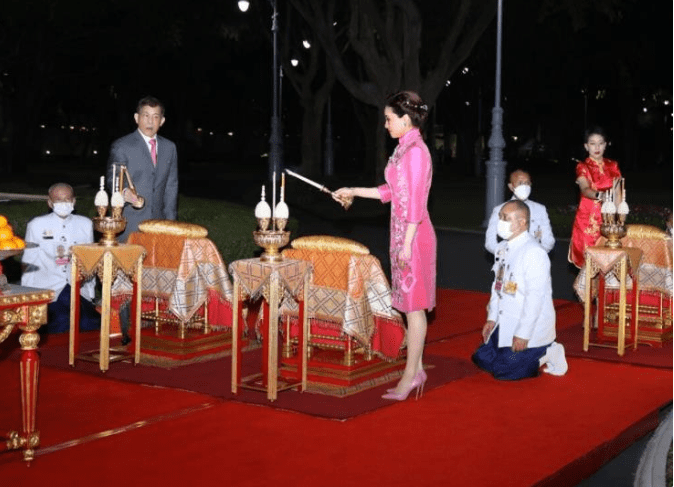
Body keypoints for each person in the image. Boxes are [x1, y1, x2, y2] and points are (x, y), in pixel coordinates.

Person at [334, 90, 436, 401]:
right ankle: (416, 369)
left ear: (405, 120)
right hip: (402, 236)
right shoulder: (403, 150)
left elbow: (417, 203)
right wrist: (352, 190)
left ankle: (410, 376)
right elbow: (389, 192)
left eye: (389, 119)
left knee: (414, 308)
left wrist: (406, 244)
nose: (385, 124)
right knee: (407, 306)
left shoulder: (416, 152)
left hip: (414, 238)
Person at [473, 200, 568, 380]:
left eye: (505, 218)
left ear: (522, 222)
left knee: (505, 372)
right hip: (507, 319)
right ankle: (516, 354)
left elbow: (535, 298)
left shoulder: (534, 252)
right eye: (500, 217)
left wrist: (523, 334)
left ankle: (549, 351)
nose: (500, 222)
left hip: (530, 327)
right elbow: (498, 286)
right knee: (481, 358)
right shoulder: (502, 248)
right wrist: (492, 319)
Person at [21, 183, 100, 334]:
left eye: (67, 199)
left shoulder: (85, 224)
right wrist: (28, 298)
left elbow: (89, 262)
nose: (63, 204)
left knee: (89, 322)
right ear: (50, 203)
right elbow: (29, 262)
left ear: (74, 201)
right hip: (49, 289)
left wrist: (90, 295)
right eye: (58, 200)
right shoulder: (36, 225)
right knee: (61, 321)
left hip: (77, 289)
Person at [107, 95, 179, 242]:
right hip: (129, 223)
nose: (150, 121)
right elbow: (113, 180)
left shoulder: (170, 147)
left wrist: (171, 222)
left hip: (159, 225)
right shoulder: (122, 146)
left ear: (162, 121)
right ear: (136, 118)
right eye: (145, 116)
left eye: (155, 117)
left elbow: (171, 186)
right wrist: (125, 193)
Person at [569, 126, 622, 268]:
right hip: (589, 220)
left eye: (601, 143)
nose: (597, 147)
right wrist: (601, 195)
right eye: (592, 143)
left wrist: (618, 215)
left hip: (609, 217)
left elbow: (618, 192)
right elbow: (585, 189)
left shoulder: (613, 165)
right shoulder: (582, 166)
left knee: (610, 263)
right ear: (586, 146)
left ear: (605, 145)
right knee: (589, 265)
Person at [485, 169, 555, 254]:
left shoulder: (540, 209)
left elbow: (549, 239)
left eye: (528, 183)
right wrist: (504, 255)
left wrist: (538, 253)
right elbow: (490, 242)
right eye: (520, 183)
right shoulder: (500, 209)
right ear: (511, 187)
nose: (525, 186)